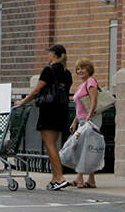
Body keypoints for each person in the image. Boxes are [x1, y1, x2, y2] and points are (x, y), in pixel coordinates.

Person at [14, 43, 72, 190]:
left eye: (50, 53)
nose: (47, 55)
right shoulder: (67, 73)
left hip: (49, 110)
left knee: (50, 145)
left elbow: (36, 91)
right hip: (62, 110)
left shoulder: (48, 70)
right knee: (54, 145)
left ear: (55, 55)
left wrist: (22, 102)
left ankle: (60, 177)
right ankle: (54, 178)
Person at [70, 58, 102, 188]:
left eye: (83, 68)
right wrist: (74, 122)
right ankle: (91, 180)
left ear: (89, 69)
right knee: (86, 148)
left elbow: (94, 99)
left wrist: (89, 115)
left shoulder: (91, 82)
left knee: (84, 147)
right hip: (82, 120)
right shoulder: (81, 86)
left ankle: (79, 178)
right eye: (78, 69)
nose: (80, 71)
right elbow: (80, 106)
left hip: (91, 119)